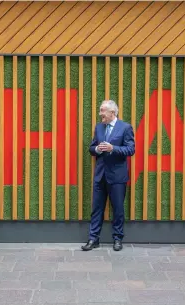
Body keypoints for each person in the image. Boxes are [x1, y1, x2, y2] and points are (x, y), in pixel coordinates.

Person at [82, 100, 135, 252]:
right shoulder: (99, 128)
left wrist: (114, 148)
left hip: (117, 177)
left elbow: (131, 149)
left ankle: (118, 239)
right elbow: (92, 148)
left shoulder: (125, 127)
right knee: (97, 208)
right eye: (100, 111)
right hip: (100, 175)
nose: (100, 114)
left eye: (102, 111)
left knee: (118, 209)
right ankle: (93, 239)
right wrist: (97, 149)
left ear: (112, 113)